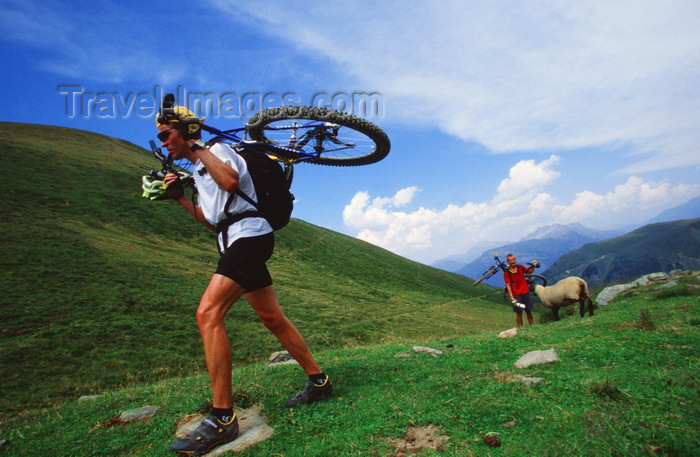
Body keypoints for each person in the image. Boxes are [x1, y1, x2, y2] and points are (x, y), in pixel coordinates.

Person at [155, 105, 332, 456]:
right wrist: (177, 198)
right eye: (160, 138)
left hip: (250, 236)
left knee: (207, 314)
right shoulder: (198, 168)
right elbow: (212, 220)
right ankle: (319, 382)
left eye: (166, 135)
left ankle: (222, 418)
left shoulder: (218, 151)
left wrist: (198, 145)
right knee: (271, 318)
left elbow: (232, 181)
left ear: (185, 130)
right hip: (232, 240)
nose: (163, 144)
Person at [503, 254, 538, 328]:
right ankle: (520, 329)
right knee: (519, 312)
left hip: (525, 292)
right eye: (510, 260)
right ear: (507, 261)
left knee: (528, 310)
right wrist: (512, 298)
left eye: (513, 259)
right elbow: (508, 285)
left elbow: (529, 271)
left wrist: (533, 265)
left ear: (515, 259)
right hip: (516, 295)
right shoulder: (507, 272)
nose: (512, 261)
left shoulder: (520, 267)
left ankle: (532, 327)